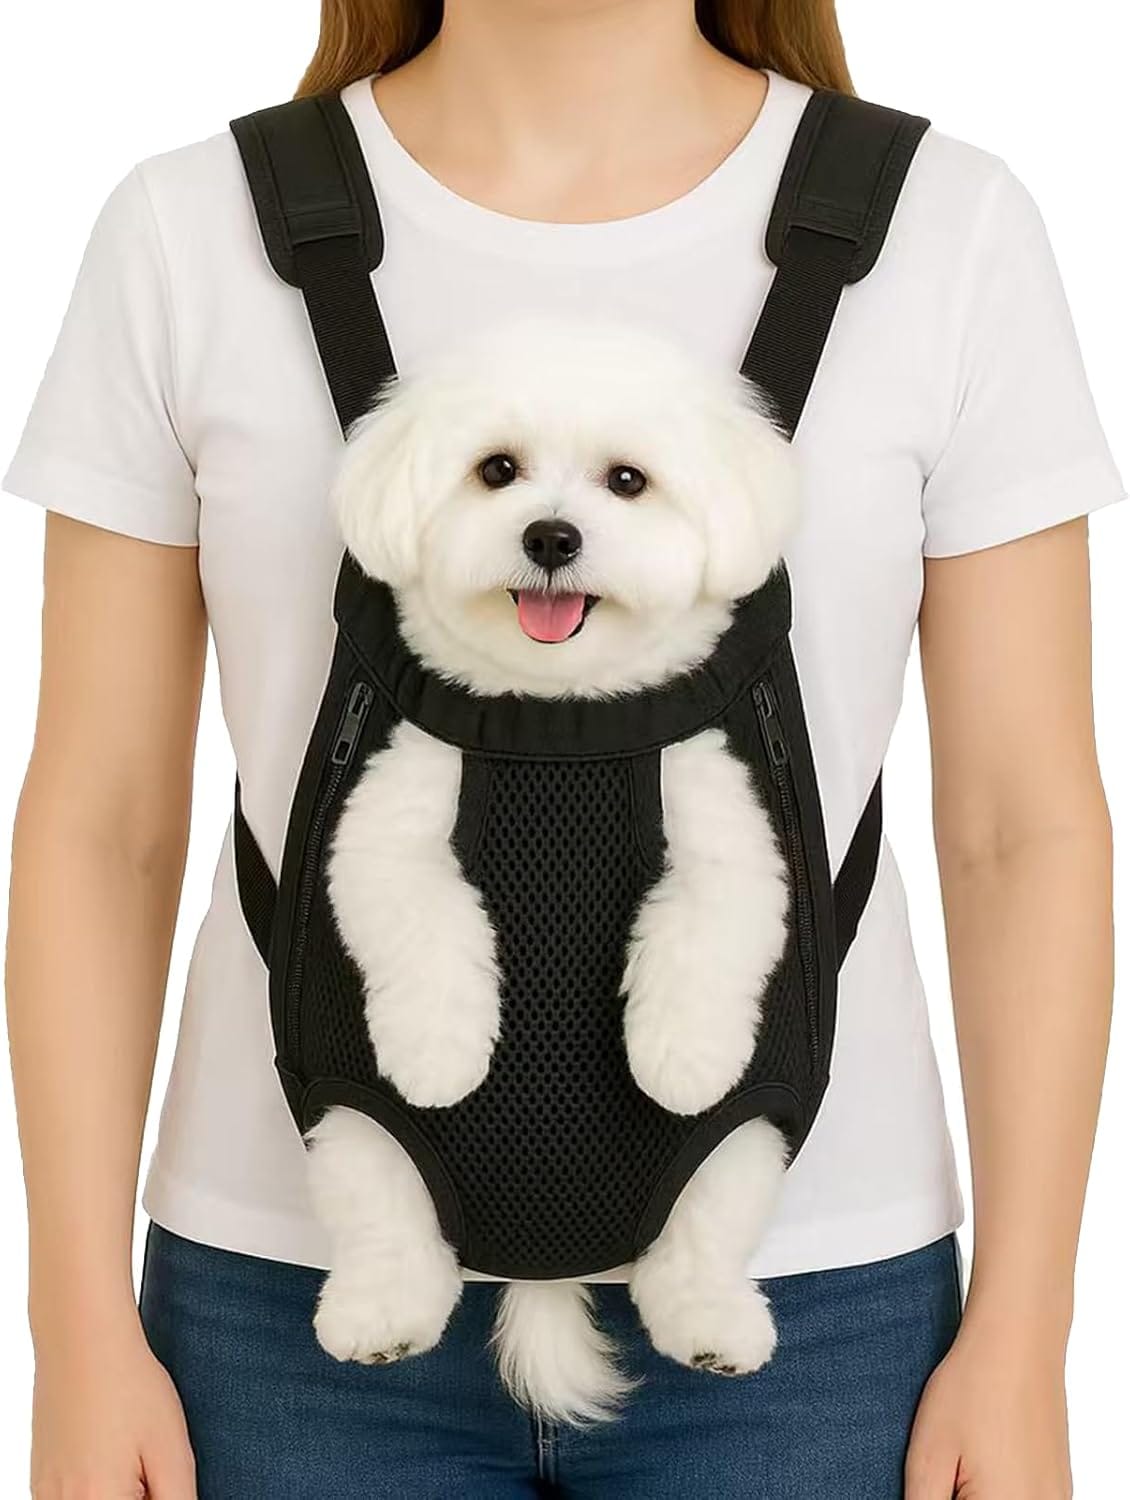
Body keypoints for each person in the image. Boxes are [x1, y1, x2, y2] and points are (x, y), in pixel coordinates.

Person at [4, 2, 1120, 1496]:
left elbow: (1018, 828)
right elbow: (103, 823)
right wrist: (74, 1333)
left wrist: (1027, 1336)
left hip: (814, 1299)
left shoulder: (947, 228)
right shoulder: (187, 229)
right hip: (286, 1298)